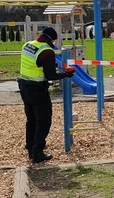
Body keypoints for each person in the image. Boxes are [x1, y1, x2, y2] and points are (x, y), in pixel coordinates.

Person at [18, 26, 75, 163]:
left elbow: (35, 64)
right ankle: (37, 153)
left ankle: (30, 146)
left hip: (24, 86)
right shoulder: (47, 51)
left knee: (31, 119)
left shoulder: (28, 45)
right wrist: (66, 74)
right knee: (44, 121)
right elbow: (51, 75)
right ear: (51, 40)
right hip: (37, 89)